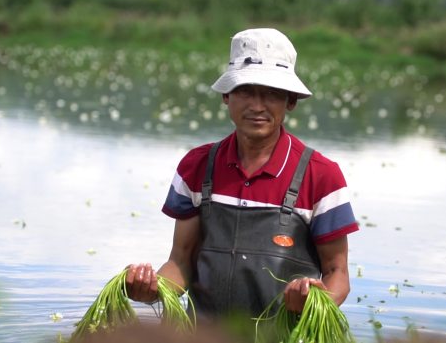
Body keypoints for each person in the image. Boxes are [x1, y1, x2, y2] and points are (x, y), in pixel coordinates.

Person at [125, 28, 359, 318]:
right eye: (245, 91)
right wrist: (152, 289)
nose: (257, 106)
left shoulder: (321, 176)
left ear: (291, 101)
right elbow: (181, 262)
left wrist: (312, 303)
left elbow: (337, 273)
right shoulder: (196, 166)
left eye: (272, 94)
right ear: (226, 95)